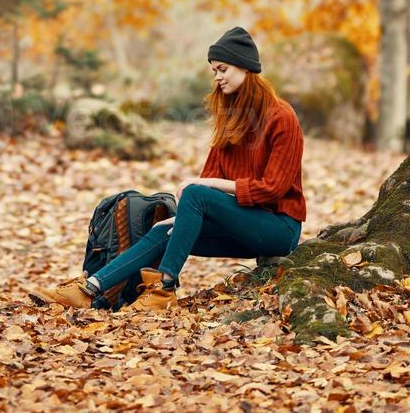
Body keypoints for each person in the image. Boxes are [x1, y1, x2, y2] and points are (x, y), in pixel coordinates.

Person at [26, 26, 306, 312]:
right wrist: (183, 216)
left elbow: (272, 188)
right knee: (165, 230)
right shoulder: (232, 119)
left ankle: (164, 288)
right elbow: (210, 178)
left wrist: (205, 187)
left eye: (223, 69)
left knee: (196, 192)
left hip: (278, 230)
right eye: (214, 71)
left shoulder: (281, 117)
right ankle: (89, 288)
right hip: (243, 228)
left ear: (245, 67)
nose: (218, 77)